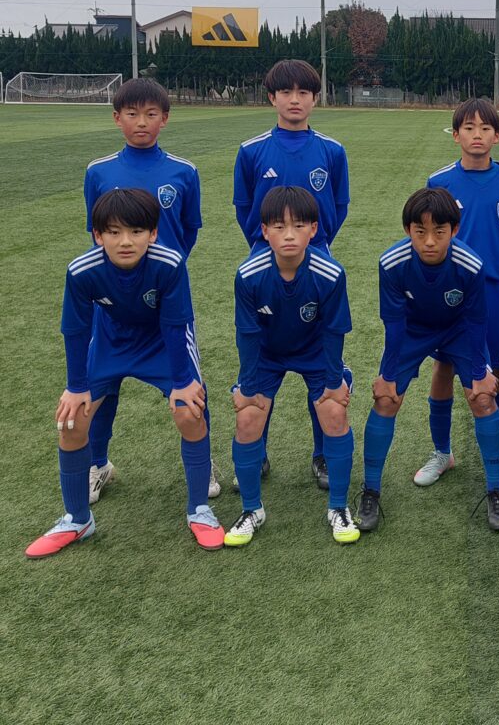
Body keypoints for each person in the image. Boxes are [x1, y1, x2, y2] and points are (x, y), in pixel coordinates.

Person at [26, 189, 223, 557]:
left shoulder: (169, 264)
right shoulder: (82, 270)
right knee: (71, 420)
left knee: (190, 410)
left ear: (153, 233)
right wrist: (76, 386)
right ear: (98, 235)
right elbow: (75, 329)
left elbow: (177, 324)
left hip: (162, 342)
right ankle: (77, 520)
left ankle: (199, 510)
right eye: (114, 232)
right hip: (110, 342)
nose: (126, 241)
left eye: (136, 231)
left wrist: (183, 382)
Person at [82, 78, 216, 504]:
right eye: (132, 114)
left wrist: (163, 271)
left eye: (151, 114)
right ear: (117, 118)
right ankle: (97, 465)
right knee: (99, 388)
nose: (142, 122)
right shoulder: (98, 172)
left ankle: (204, 462)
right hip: (113, 303)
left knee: (189, 384)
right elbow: (96, 232)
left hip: (167, 301)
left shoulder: (183, 171)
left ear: (165, 119)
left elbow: (189, 230)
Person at [357, 187, 499, 532]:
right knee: (386, 398)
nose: (429, 241)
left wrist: (479, 372)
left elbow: (476, 321)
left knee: (483, 397)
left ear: (454, 230)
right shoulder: (392, 263)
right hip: (413, 331)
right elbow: (394, 323)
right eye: (420, 231)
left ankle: (495, 491)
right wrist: (388, 374)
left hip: (459, 329)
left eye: (439, 232)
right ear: (407, 230)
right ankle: (370, 491)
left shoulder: (471, 265)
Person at [233, 59, 350, 492]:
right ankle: (257, 451)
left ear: (315, 98)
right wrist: (266, 246)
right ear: (272, 97)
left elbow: (339, 206)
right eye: (286, 92)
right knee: (260, 358)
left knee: (321, 361)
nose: (295, 100)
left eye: (304, 92)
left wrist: (314, 245)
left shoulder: (332, 151)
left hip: (316, 264)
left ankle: (322, 454)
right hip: (266, 266)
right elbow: (244, 209)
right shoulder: (251, 151)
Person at [224, 187, 358, 547]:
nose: (288, 235)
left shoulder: (330, 273)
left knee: (334, 411)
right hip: (267, 353)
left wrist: (334, 381)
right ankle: (251, 510)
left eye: (298, 225)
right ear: (264, 231)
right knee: (248, 417)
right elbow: (248, 334)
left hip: (315, 350)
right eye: (279, 226)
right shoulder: (249, 275)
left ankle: (339, 507)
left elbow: (334, 330)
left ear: (313, 230)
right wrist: (248, 387)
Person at [417, 98, 499, 488]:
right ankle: (442, 452)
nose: (476, 135)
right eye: (468, 128)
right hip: (449, 291)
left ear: (497, 136)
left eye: (485, 128)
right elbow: (428, 237)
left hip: (495, 288)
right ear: (455, 135)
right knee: (443, 366)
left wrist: (495, 267)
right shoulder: (440, 182)